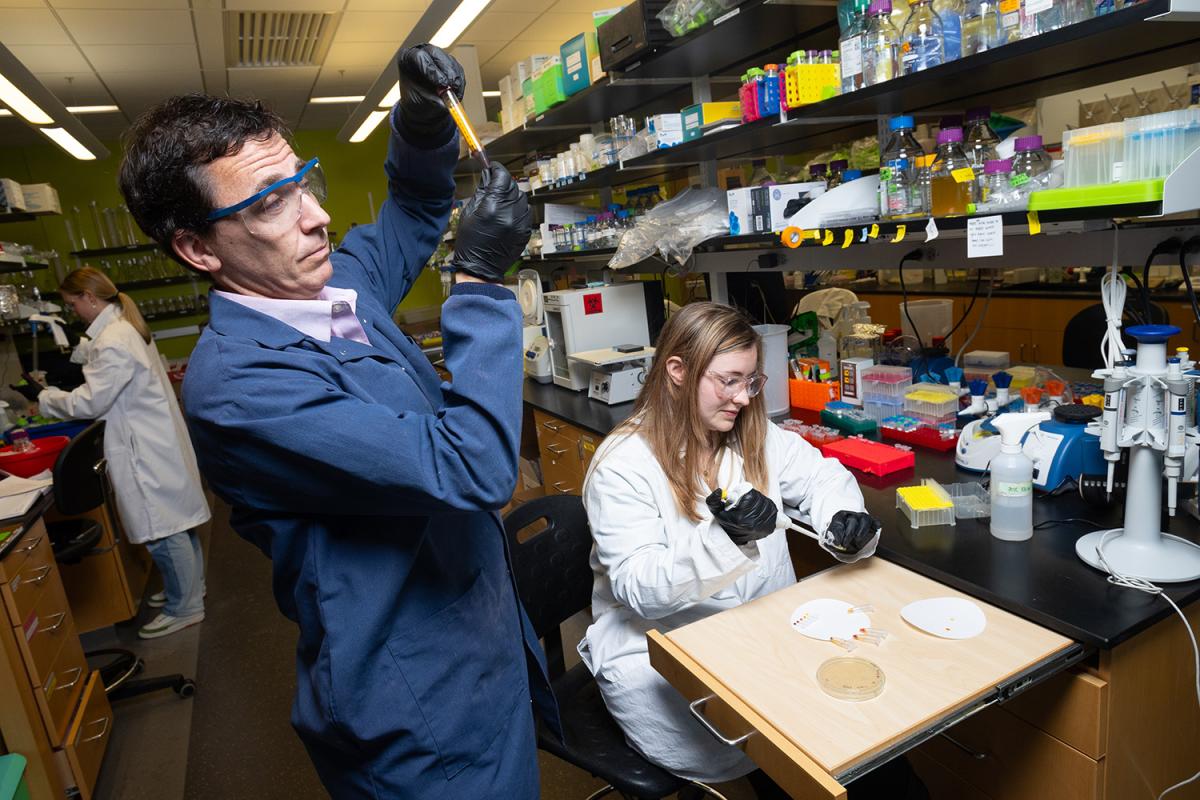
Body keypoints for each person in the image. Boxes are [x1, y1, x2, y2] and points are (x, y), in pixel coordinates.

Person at [116, 45, 557, 798]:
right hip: (420, 705)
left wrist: (418, 117)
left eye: (303, 183)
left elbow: (416, 209)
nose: (317, 217)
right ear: (196, 248)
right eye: (268, 203)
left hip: (480, 640)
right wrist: (481, 285)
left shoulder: (332, 289)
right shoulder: (239, 388)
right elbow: (474, 467)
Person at [580, 302, 925, 799]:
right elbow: (640, 589)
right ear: (677, 371)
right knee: (800, 769)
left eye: (751, 381)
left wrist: (840, 518)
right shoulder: (623, 465)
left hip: (761, 637)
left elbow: (822, 476)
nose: (744, 397)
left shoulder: (748, 434)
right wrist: (726, 539)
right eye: (729, 381)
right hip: (670, 654)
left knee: (871, 758)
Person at [17, 267, 210, 639]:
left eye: (74, 304)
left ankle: (185, 606)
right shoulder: (122, 327)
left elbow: (91, 401)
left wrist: (43, 397)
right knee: (176, 523)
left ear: (90, 298)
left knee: (162, 530)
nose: (74, 311)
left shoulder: (114, 338)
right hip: (153, 440)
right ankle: (188, 589)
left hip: (142, 448)